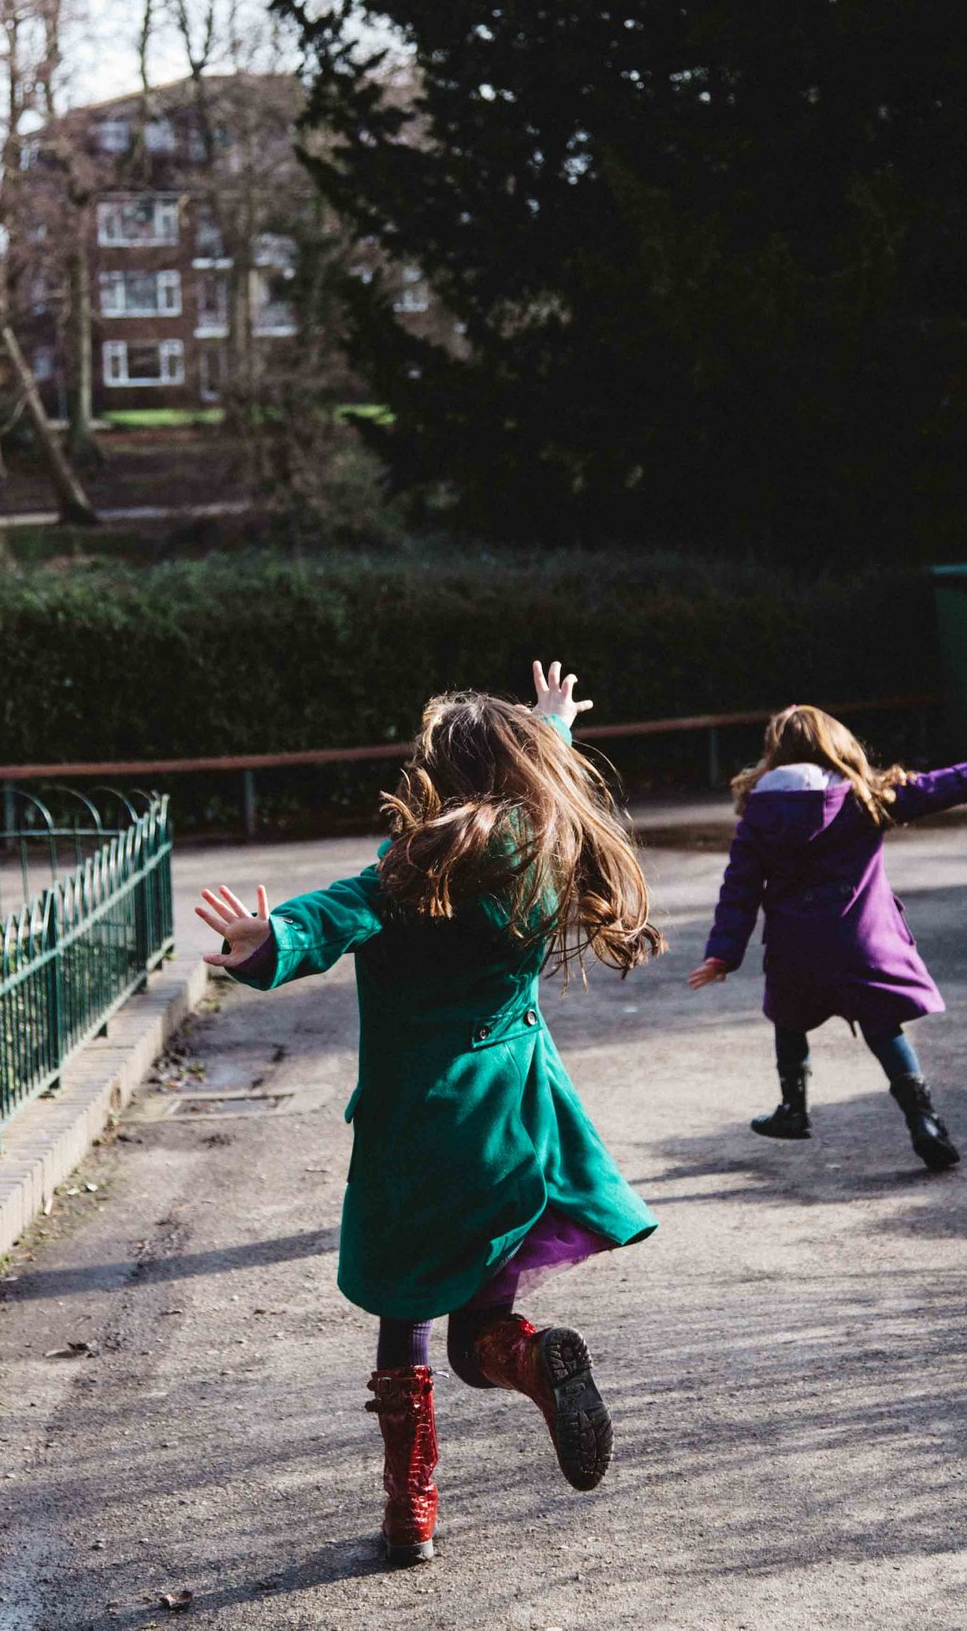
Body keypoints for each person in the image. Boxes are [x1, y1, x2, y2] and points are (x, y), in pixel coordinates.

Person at [194, 661, 662, 1568]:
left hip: (419, 1130)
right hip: (515, 1122)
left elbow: (335, 914)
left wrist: (268, 944)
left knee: (405, 1318)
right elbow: (525, 783)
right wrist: (552, 726)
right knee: (475, 1335)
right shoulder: (543, 850)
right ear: (523, 769)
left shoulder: (412, 871)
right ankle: (535, 1358)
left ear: (438, 776)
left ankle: (411, 1513)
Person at [688, 705, 967, 1170]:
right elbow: (921, 792)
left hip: (796, 948)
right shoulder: (863, 797)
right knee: (883, 1028)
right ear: (835, 745)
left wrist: (724, 954)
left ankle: (793, 1109)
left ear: (777, 754)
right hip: (862, 943)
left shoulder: (759, 814)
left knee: (787, 1019)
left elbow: (740, 890)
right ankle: (923, 1120)